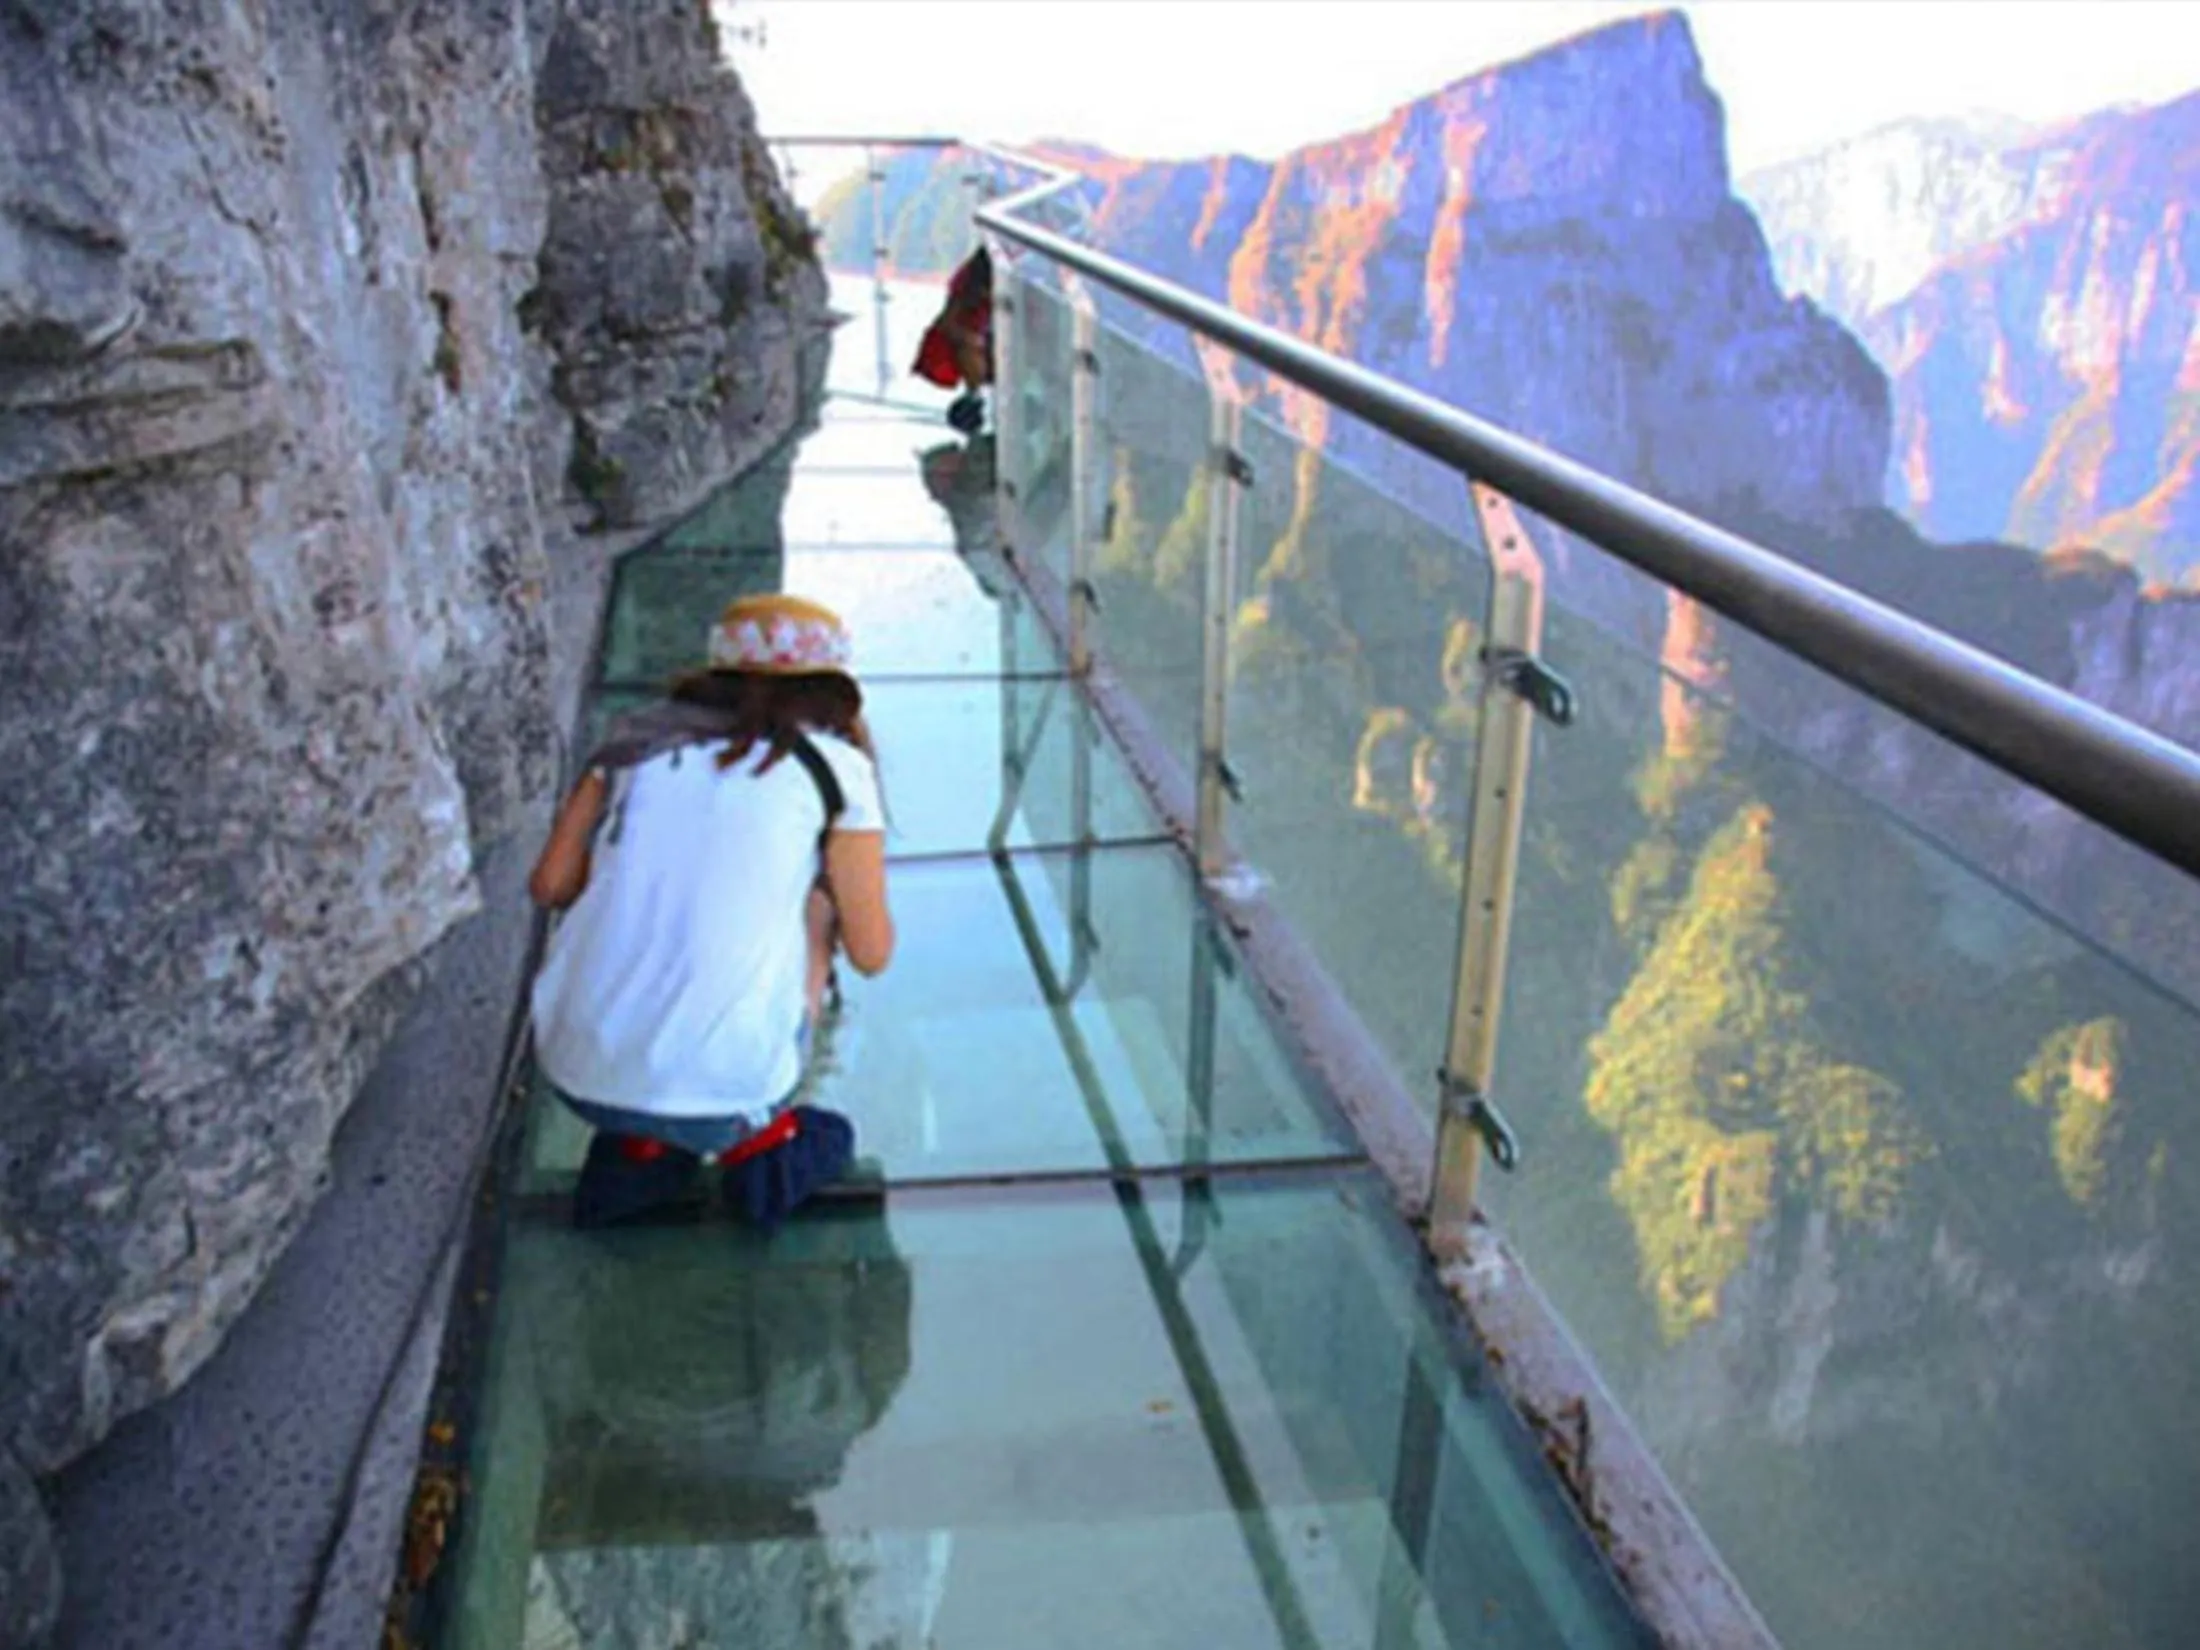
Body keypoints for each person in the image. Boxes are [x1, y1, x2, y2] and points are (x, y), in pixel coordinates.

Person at [527, 593, 894, 1227]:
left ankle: (647, 1149)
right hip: (734, 1083)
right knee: (813, 908)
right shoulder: (840, 770)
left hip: (574, 1062)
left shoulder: (630, 744)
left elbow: (551, 885)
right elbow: (872, 953)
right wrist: (818, 901)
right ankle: (760, 1147)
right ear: (833, 688)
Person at [912, 245, 993, 434]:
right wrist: (975, 340)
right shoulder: (967, 283)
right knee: (968, 344)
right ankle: (975, 395)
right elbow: (949, 324)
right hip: (979, 339)